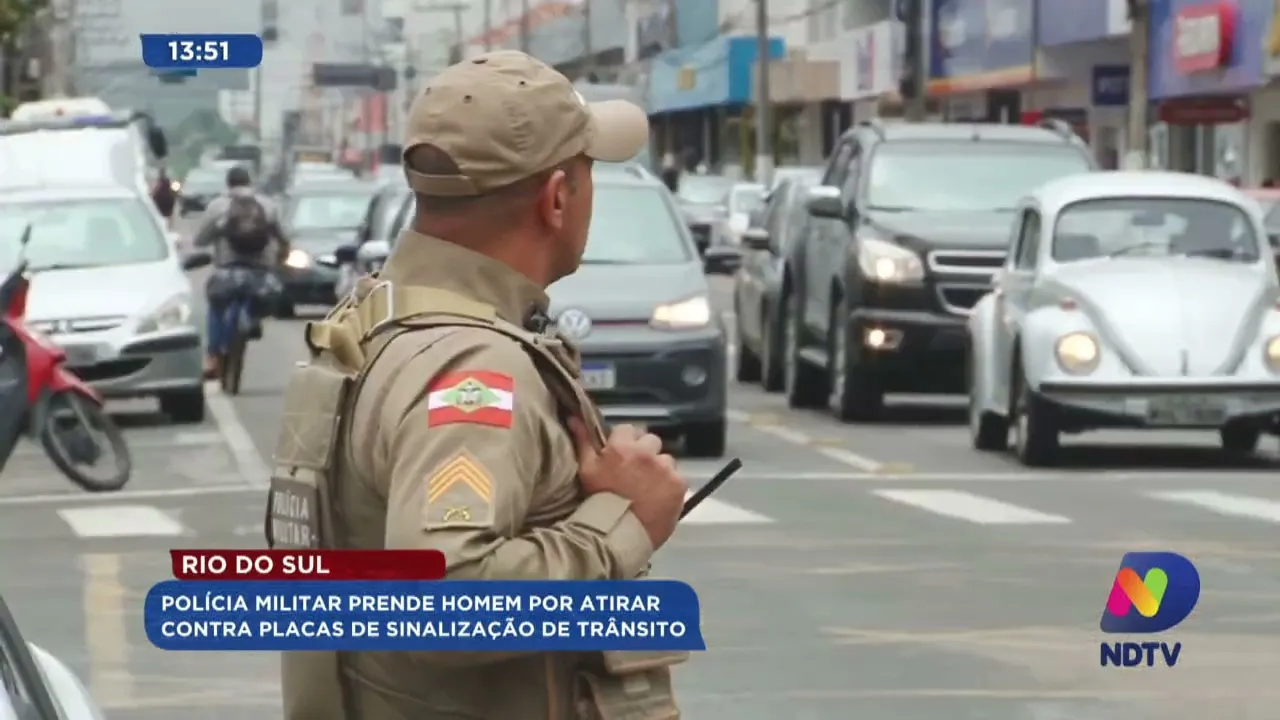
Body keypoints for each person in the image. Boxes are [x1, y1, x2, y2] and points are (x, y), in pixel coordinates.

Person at [266, 50, 690, 719]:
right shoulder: (471, 368)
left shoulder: (376, 322)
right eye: (588, 172)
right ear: (557, 199)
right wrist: (624, 522)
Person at [192, 166, 289, 379]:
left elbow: (200, 240)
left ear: (228, 184)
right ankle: (253, 320)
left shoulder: (218, 206)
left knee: (217, 306)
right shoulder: (267, 205)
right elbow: (282, 237)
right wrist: (280, 258)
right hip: (260, 271)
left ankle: (213, 356)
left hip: (227, 270)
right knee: (268, 296)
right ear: (249, 182)